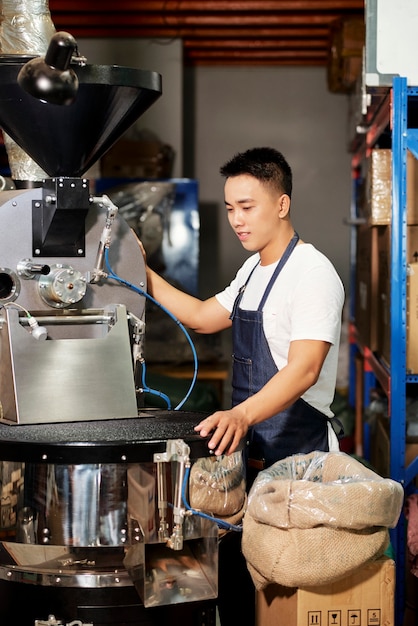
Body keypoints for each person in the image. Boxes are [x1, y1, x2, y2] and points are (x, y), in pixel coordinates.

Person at [139, 146, 345, 624]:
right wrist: (140, 270)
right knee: (235, 581)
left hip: (297, 457)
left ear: (281, 204)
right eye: (231, 207)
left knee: (282, 590)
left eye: (247, 207)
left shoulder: (312, 274)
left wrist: (241, 414)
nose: (237, 219)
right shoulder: (253, 271)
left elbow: (305, 369)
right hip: (249, 452)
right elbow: (202, 317)